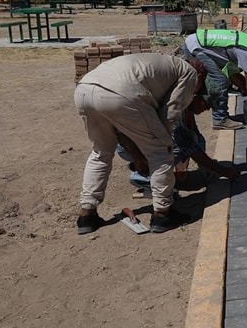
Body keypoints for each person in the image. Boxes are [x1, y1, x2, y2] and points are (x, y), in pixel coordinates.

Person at [74, 53, 203, 235]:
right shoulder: (189, 72)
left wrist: (137, 152)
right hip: (119, 92)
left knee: (100, 153)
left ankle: (87, 216)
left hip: (84, 90)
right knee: (161, 151)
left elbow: (123, 127)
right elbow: (170, 114)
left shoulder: (160, 64)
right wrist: (153, 147)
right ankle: (163, 214)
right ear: (201, 72)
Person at [117, 94, 241, 193]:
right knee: (174, 150)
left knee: (196, 139)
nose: (207, 109)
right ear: (195, 98)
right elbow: (193, 150)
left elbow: (193, 142)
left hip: (142, 143)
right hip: (131, 147)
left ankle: (152, 170)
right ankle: (143, 177)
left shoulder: (186, 109)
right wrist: (224, 172)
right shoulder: (177, 115)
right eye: (206, 104)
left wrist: (185, 165)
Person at [182, 29, 247, 130]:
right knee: (220, 81)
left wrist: (243, 88)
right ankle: (220, 119)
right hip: (195, 47)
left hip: (194, 42)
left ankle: (215, 112)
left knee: (219, 79)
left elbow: (230, 71)